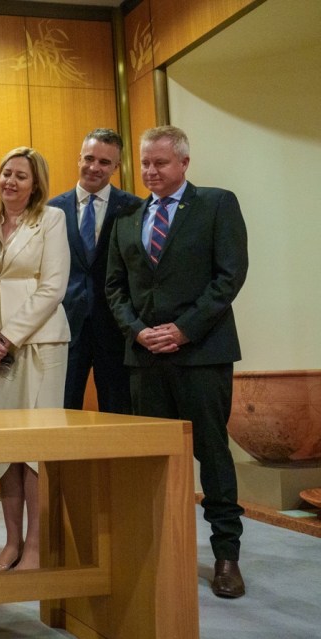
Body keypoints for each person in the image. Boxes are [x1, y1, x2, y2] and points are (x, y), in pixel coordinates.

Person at [105, 125, 249, 599]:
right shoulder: (128, 216)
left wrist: (185, 329)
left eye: (160, 163)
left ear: (184, 162)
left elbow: (229, 276)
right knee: (153, 460)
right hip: (145, 357)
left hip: (201, 354)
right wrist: (137, 330)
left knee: (212, 453)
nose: (150, 171)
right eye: (145, 163)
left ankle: (226, 555)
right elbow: (115, 287)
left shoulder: (216, 204)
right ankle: (162, 550)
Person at [0, 147, 69, 572]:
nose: (11, 182)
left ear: (36, 183)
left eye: (21, 176)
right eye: (6, 173)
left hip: (40, 345)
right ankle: (11, 543)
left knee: (34, 448)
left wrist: (9, 337)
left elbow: (53, 287)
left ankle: (36, 546)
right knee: (3, 446)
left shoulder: (51, 219)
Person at [47, 129, 141, 413]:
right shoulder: (52, 210)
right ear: (79, 159)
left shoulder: (134, 209)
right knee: (62, 410)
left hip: (115, 329)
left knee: (118, 412)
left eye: (104, 162)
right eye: (89, 158)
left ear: (117, 167)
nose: (94, 167)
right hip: (65, 327)